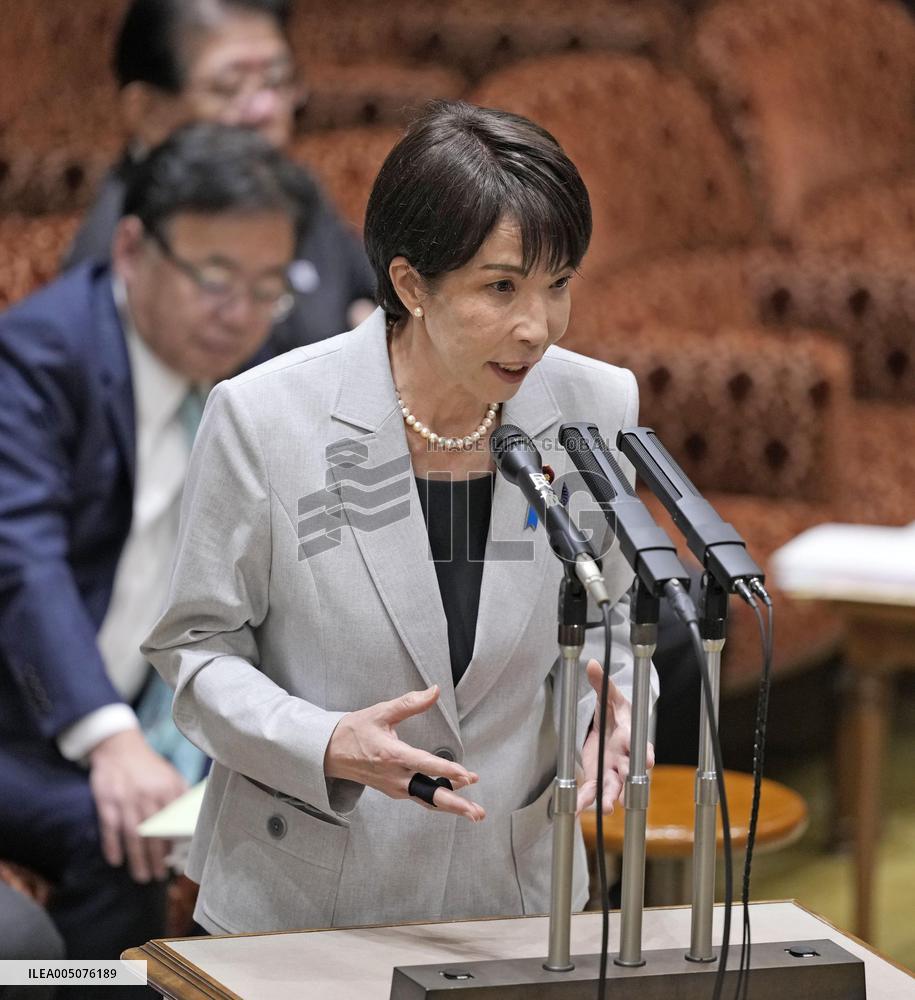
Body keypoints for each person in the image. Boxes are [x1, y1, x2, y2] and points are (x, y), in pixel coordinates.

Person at [143, 100, 657, 935]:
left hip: (514, 893)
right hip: (305, 899)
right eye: (501, 288)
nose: (538, 327)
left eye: (557, 284)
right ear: (410, 283)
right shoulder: (266, 418)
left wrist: (616, 721)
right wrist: (325, 741)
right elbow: (196, 651)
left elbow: (614, 620)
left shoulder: (595, 404)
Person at [0, 122, 309, 972]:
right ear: (133, 249)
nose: (240, 314)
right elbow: (22, 560)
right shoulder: (41, 355)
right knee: (122, 833)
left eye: (267, 287)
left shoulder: (259, 371)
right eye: (215, 279)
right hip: (21, 725)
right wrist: (109, 741)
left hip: (152, 714)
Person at [64, 0, 375, 350]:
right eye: (229, 87)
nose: (265, 109)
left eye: (277, 80)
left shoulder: (288, 184)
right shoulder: (118, 248)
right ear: (147, 111)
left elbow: (376, 299)